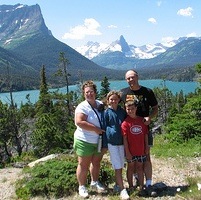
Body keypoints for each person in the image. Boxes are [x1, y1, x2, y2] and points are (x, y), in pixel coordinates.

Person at [120, 69, 158, 196]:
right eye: (128, 78)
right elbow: (111, 101)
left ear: (137, 77)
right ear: (126, 80)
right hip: (130, 130)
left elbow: (155, 108)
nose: (131, 80)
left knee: (146, 156)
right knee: (132, 159)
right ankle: (137, 182)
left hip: (144, 129)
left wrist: (150, 117)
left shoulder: (147, 92)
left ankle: (148, 183)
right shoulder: (123, 93)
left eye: (132, 77)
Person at [73, 80, 106, 198]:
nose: (89, 94)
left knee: (96, 162)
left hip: (98, 141)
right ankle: (82, 187)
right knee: (83, 164)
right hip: (84, 140)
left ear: (95, 92)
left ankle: (94, 182)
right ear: (83, 94)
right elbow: (79, 122)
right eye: (87, 92)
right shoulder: (82, 107)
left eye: (91, 91)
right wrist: (95, 129)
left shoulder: (99, 104)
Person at [104, 91, 129, 200]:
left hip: (122, 142)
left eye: (115, 99)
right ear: (108, 100)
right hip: (112, 143)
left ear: (119, 100)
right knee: (117, 166)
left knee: (121, 165)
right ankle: (123, 190)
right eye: (111, 99)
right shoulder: (106, 113)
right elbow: (104, 128)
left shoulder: (122, 112)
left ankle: (117, 185)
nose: (113, 101)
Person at [121, 100, 149, 195]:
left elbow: (145, 135)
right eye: (128, 109)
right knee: (131, 168)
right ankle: (131, 186)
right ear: (126, 109)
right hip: (130, 151)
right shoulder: (125, 123)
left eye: (132, 109)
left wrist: (147, 147)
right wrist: (127, 152)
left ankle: (141, 186)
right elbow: (124, 139)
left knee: (140, 168)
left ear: (136, 109)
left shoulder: (142, 120)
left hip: (141, 149)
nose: (130, 111)